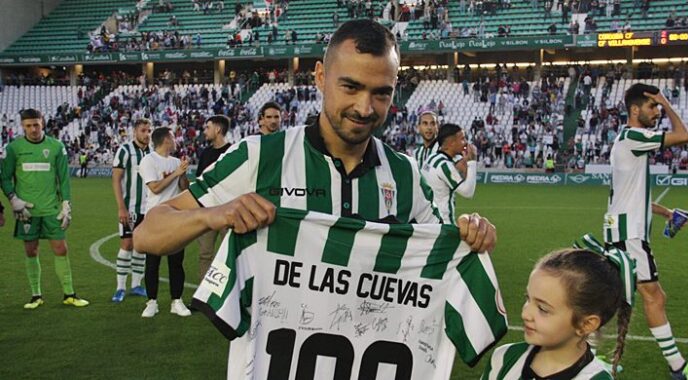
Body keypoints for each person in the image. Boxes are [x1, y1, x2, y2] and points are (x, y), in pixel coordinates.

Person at [134, 19, 497, 377]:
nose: (365, 107)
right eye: (350, 87)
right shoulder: (261, 157)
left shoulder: (404, 176)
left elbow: (445, 247)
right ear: (320, 77)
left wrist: (472, 233)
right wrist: (217, 215)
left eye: (381, 93)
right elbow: (148, 233)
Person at [604, 84, 688, 379]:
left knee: (610, 296)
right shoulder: (634, 136)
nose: (656, 112)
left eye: (657, 107)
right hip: (629, 235)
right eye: (651, 107)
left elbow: (625, 195)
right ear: (635, 110)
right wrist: (666, 101)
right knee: (654, 296)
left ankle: (594, 358)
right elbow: (684, 135)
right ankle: (679, 368)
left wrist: (665, 212)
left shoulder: (624, 139)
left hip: (619, 229)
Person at [482, 244, 634, 379]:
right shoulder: (504, 358)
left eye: (542, 309)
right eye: (528, 299)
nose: (525, 314)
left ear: (586, 324)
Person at [1, 108, 88, 309]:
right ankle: (36, 295)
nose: (33, 129)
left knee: (61, 248)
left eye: (36, 124)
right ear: (22, 126)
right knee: (31, 251)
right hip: (27, 211)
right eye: (29, 125)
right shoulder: (13, 148)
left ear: (43, 123)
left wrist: (66, 204)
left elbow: (64, 178)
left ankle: (69, 293)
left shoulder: (56, 147)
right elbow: (4, 177)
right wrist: (13, 199)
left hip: (51, 209)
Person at [138, 127, 190, 318]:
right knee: (152, 263)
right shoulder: (148, 161)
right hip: (155, 218)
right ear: (166, 139)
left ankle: (176, 301)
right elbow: (156, 188)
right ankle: (152, 302)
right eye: (173, 137)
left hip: (176, 217)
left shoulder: (177, 162)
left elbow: (185, 189)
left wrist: (183, 173)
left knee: (177, 262)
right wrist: (176, 173)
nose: (176, 140)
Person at [111, 118, 152, 303]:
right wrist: (121, 208)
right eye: (143, 130)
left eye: (149, 130)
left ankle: (136, 284)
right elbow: (116, 180)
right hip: (130, 208)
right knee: (127, 245)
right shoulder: (125, 150)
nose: (147, 134)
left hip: (149, 209)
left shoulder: (152, 153)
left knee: (141, 246)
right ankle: (120, 287)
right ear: (135, 131)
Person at [195, 115, 231, 283]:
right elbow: (200, 180)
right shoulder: (206, 153)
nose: (205, 131)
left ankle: (225, 295)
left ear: (217, 129)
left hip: (227, 212)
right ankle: (202, 296)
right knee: (205, 254)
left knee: (228, 256)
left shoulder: (233, 152)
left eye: (207, 127)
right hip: (208, 210)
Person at [421, 123, 477, 224]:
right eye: (462, 139)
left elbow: (455, 166)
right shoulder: (444, 166)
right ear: (451, 143)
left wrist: (464, 162)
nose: (465, 143)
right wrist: (472, 162)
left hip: (429, 220)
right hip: (444, 224)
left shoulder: (431, 159)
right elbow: (468, 192)